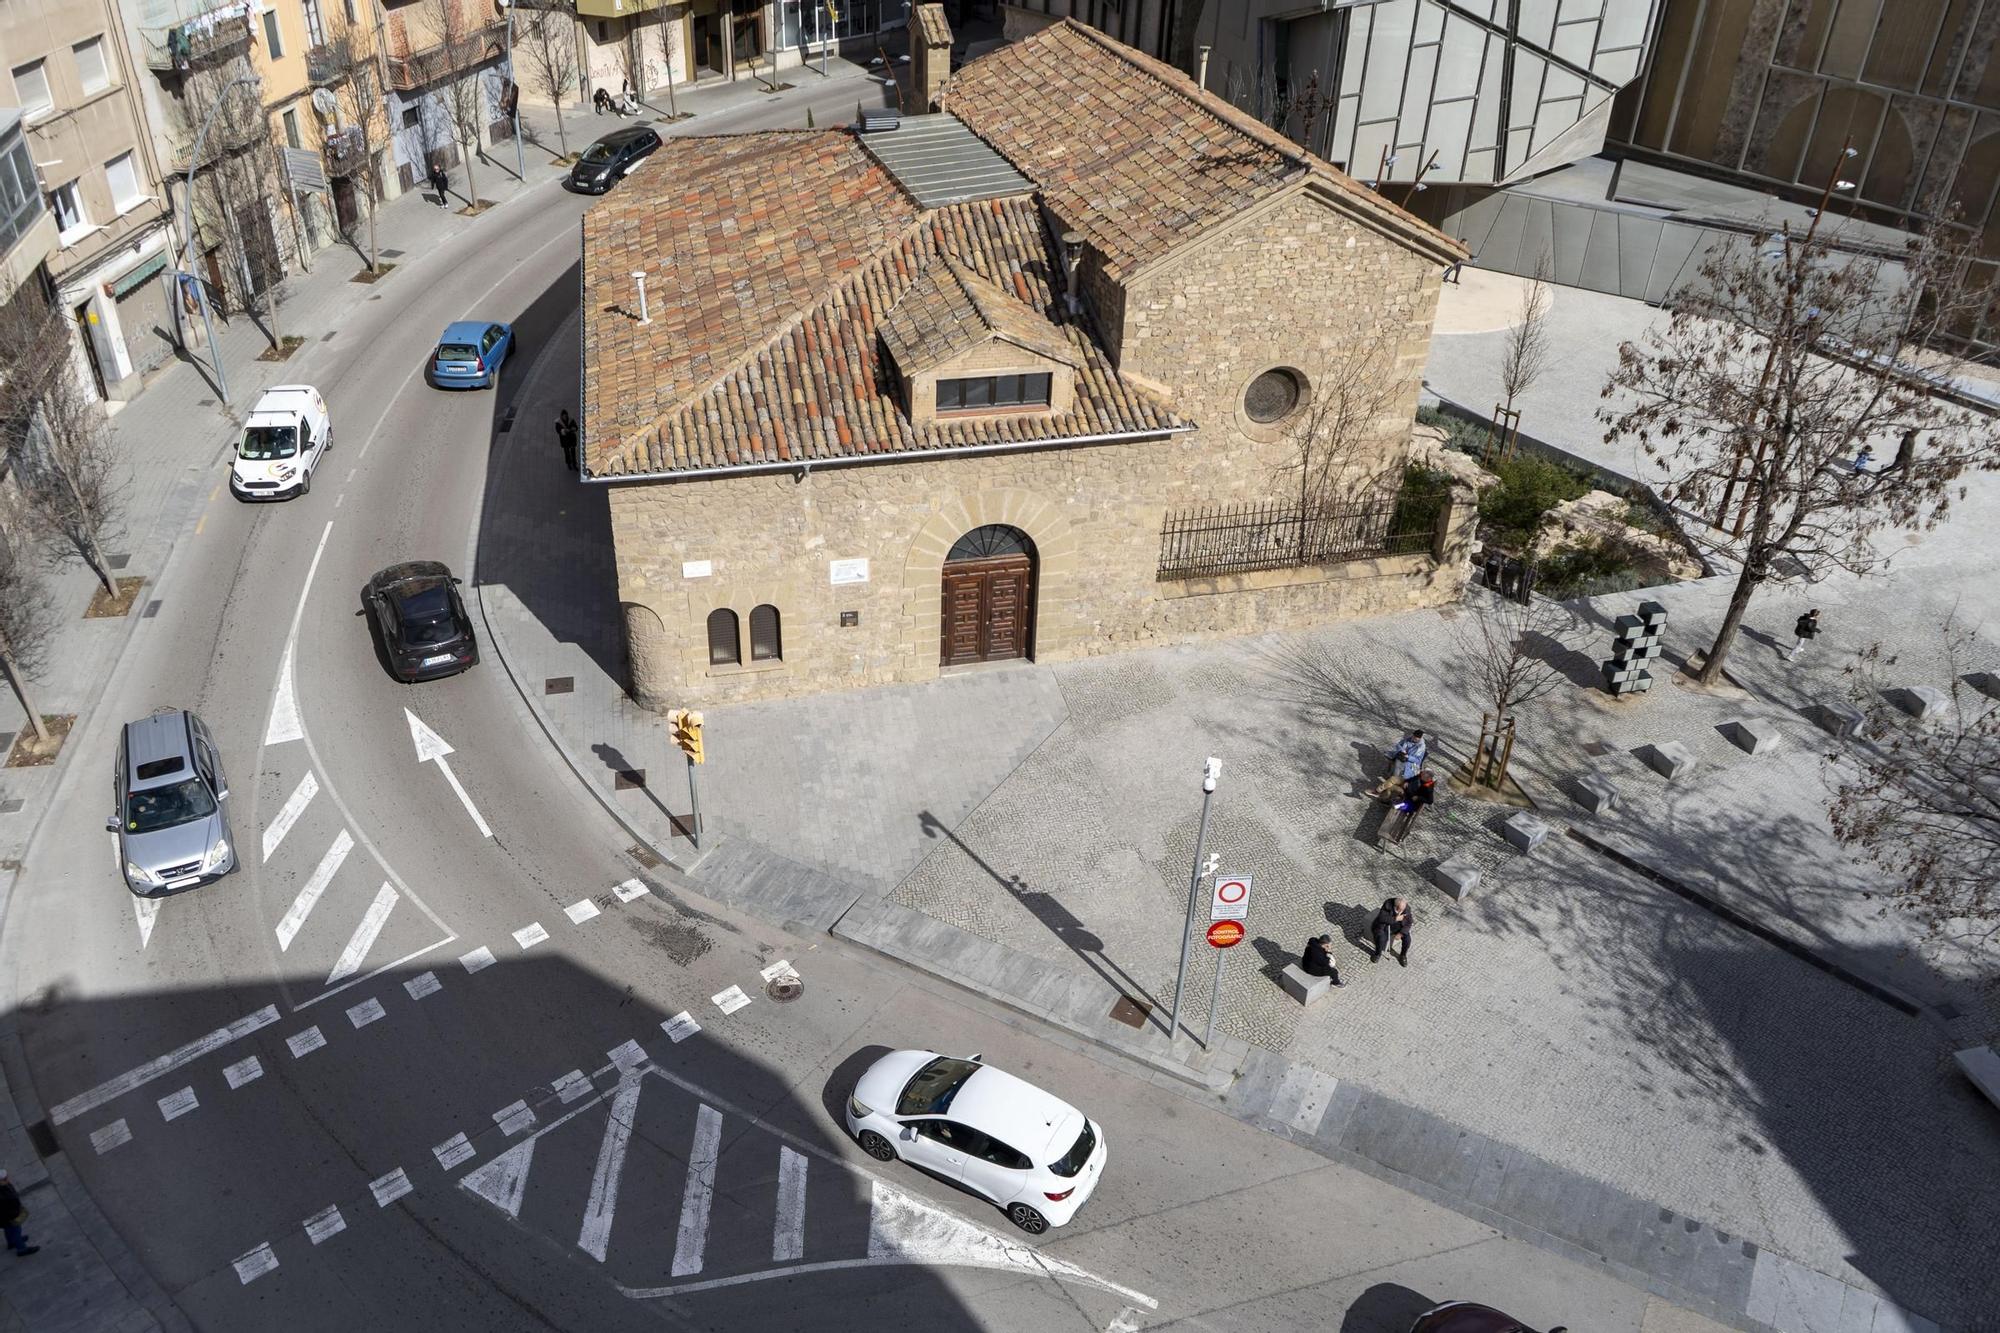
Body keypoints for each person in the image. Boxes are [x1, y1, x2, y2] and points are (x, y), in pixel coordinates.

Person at [1373, 728, 1427, 800]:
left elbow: (1418, 760)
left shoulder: (1421, 747)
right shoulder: (1408, 739)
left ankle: (1382, 792)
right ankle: (1382, 790)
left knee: (1397, 771)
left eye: (1416, 739)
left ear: (1419, 739)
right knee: (1398, 762)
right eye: (1413, 737)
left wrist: (1409, 757)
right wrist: (1402, 750)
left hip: (1409, 763)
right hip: (1401, 757)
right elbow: (1398, 745)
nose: (1414, 739)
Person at [1388, 769, 1436, 844]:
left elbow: (1430, 801)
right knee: (1391, 789)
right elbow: (1411, 779)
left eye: (1423, 775)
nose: (1421, 775)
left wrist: (1418, 798)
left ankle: (1393, 803)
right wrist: (1407, 782)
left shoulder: (1428, 787)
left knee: (1395, 806)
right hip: (1407, 794)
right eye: (1422, 774)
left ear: (1428, 778)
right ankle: (1388, 800)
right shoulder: (1421, 776)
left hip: (1412, 803)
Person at [0, 1170, 37, 1257]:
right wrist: (16, 1214)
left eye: (6, 1177)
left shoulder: (4, 1185)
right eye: (4, 1179)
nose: (7, 1179)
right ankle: (21, 1249)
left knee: (8, 1230)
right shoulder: (2, 1194)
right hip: (9, 1217)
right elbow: (6, 1207)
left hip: (6, 1218)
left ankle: (11, 1243)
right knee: (16, 1231)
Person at [1371, 897, 1412, 966]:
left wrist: (1401, 933)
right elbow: (1381, 918)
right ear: (1395, 907)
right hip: (1385, 927)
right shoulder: (1388, 905)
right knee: (1381, 939)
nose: (1402, 911)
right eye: (1400, 909)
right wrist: (1395, 919)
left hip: (1399, 927)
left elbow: (1409, 922)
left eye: (1403, 909)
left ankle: (1403, 955)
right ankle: (1377, 954)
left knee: (1407, 940)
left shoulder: (1406, 909)